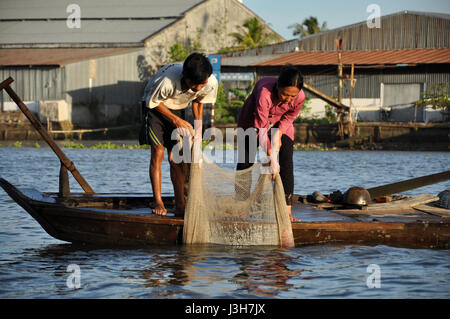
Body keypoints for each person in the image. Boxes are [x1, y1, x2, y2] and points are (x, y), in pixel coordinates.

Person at [140, 53, 218, 216]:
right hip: (155, 108)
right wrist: (175, 120)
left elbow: (199, 101)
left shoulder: (209, 82)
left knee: (176, 158)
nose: (198, 88)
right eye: (193, 85)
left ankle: (180, 203)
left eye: (201, 84)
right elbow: (152, 103)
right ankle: (158, 201)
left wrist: (198, 130)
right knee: (158, 152)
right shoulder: (167, 82)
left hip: (178, 107)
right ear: (185, 77)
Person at [236, 66, 305, 222]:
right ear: (277, 86)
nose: (288, 99)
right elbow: (261, 128)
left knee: (286, 159)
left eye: (292, 96)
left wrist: (278, 134)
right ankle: (241, 207)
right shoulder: (264, 93)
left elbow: (289, 118)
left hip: (280, 122)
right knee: (245, 161)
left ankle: (286, 210)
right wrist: (271, 158)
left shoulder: (300, 97)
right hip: (252, 122)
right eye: (284, 94)